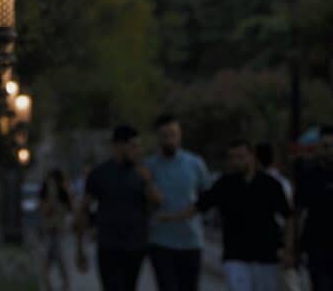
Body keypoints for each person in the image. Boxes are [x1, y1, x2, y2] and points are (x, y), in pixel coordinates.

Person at [159, 138, 292, 291]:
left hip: (266, 256)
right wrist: (171, 217)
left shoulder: (270, 185)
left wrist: (288, 249)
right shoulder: (224, 184)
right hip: (235, 255)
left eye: (240, 157)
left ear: (251, 157)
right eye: (232, 157)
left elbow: (288, 216)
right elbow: (198, 206)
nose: (236, 162)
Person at [76, 124, 160, 291]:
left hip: (136, 246)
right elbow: (83, 209)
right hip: (109, 246)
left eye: (138, 146)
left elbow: (157, 203)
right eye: (133, 146)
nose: (137, 150)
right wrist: (80, 249)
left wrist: (148, 182)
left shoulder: (141, 173)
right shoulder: (100, 174)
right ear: (118, 146)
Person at [145, 113, 211, 291]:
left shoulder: (195, 163)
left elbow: (206, 198)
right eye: (164, 136)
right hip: (161, 241)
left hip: (191, 240)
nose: (169, 140)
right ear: (157, 138)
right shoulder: (149, 166)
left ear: (180, 135)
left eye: (173, 134)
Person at [295, 124, 333, 290]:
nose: (329, 151)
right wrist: (292, 247)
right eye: (325, 146)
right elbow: (297, 212)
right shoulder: (308, 176)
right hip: (317, 249)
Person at [39, 169, 74, 291]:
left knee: (60, 258)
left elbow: (70, 208)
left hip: (59, 229)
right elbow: (43, 209)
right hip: (49, 229)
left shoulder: (63, 193)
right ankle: (48, 284)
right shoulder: (45, 192)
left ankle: (65, 284)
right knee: (47, 259)